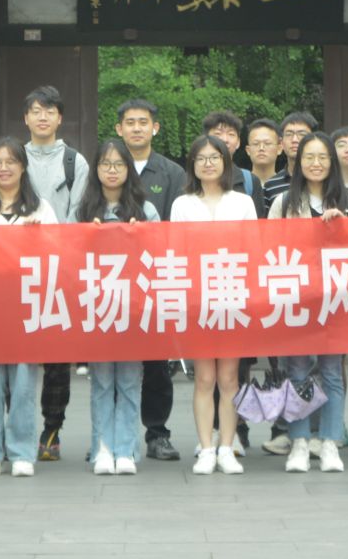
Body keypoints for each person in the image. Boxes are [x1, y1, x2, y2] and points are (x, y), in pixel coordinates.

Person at [0, 138, 57, 477]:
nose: (4, 168)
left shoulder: (41, 208)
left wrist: (38, 236)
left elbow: (57, 253)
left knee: (23, 384)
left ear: (23, 166)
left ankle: (21, 451)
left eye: (11, 162)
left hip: (25, 306)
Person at [266, 133, 348, 474]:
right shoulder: (284, 202)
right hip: (296, 298)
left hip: (335, 299)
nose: (316, 163)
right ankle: (300, 442)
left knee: (332, 371)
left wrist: (342, 228)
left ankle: (330, 442)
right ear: (298, 162)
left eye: (322, 157)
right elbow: (268, 248)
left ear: (332, 162)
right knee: (297, 371)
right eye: (309, 157)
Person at [171, 135, 255, 475]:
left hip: (233, 296)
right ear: (192, 165)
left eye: (214, 157)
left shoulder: (242, 202)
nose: (208, 163)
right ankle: (206, 448)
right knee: (204, 378)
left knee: (229, 378)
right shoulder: (182, 204)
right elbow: (176, 251)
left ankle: (227, 448)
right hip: (198, 298)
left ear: (225, 162)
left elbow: (253, 250)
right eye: (201, 158)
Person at [77, 138, 157, 475]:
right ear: (96, 169)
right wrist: (86, 235)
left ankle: (126, 449)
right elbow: (65, 255)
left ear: (128, 169)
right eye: (105, 164)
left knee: (128, 379)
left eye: (119, 164)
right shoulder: (82, 210)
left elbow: (161, 256)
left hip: (132, 308)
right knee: (101, 382)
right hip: (96, 308)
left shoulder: (145, 210)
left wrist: (142, 235)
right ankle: (102, 449)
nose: (112, 171)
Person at [116, 97, 187, 462]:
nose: (137, 128)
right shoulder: (108, 166)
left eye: (143, 122)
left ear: (155, 128)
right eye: (130, 122)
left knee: (157, 363)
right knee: (113, 360)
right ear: (119, 129)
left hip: (157, 278)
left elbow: (175, 227)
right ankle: (114, 434)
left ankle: (157, 433)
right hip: (113, 280)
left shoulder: (172, 173)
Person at [20, 87, 87, 463]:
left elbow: (77, 216)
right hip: (15, 269)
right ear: (26, 118)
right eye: (35, 111)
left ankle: (51, 430)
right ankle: (19, 428)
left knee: (58, 358)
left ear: (60, 118)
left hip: (59, 270)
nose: (42, 117)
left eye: (49, 111)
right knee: (16, 353)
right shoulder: (13, 157)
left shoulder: (75, 162)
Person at [202, 111, 262, 206]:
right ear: (205, 139)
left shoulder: (250, 182)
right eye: (218, 133)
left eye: (231, 134)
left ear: (238, 142)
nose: (225, 139)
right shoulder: (192, 179)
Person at [246, 118, 288, 217]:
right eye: (256, 144)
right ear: (248, 150)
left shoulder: (289, 185)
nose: (261, 148)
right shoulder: (241, 184)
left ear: (279, 148)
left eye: (267, 143)